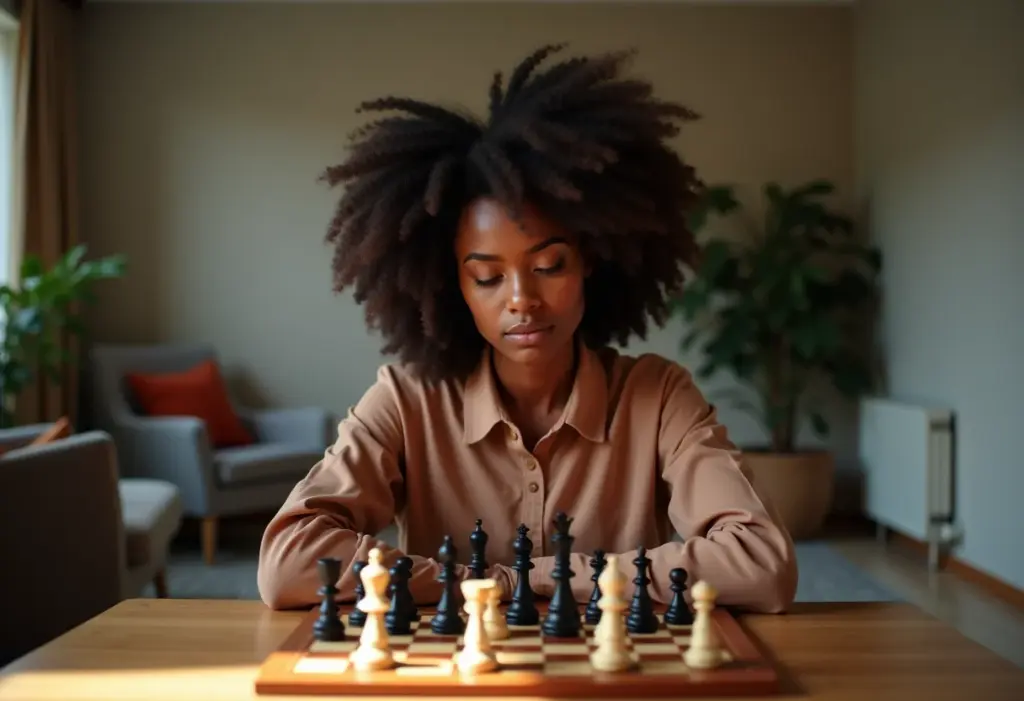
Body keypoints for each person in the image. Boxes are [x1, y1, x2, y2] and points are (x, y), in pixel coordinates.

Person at [257, 44, 797, 614]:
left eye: (549, 266)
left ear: (591, 261)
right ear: (452, 286)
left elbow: (762, 565)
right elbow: (288, 563)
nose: (522, 300)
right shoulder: (407, 399)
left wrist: (541, 579)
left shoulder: (658, 397)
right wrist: (481, 584)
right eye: (487, 277)